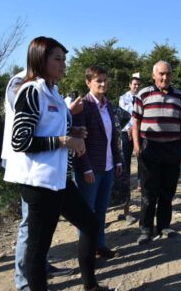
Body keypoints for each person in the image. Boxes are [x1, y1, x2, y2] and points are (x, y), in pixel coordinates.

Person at [3, 36, 106, 291]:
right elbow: (21, 141)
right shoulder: (31, 90)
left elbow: (59, 130)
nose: (63, 64)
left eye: (64, 59)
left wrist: (75, 136)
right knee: (38, 250)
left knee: (91, 225)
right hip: (39, 183)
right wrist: (64, 141)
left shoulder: (54, 92)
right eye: (57, 59)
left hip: (59, 180)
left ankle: (91, 286)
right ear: (40, 59)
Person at [1, 70, 77, 291]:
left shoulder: (48, 85)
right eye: (57, 58)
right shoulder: (24, 83)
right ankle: (24, 280)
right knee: (30, 226)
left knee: (42, 227)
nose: (63, 66)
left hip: (49, 167)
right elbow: (28, 128)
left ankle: (40, 268)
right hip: (30, 167)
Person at [132, 61, 181, 245]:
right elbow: (136, 122)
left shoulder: (179, 96)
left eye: (168, 74)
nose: (165, 77)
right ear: (154, 75)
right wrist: (137, 146)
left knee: (167, 191)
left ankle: (164, 226)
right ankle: (145, 229)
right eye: (162, 74)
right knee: (149, 191)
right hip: (150, 148)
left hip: (172, 149)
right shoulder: (143, 94)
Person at [73, 66, 123, 259]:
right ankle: (87, 251)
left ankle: (100, 245)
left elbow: (114, 135)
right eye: (98, 81)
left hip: (108, 166)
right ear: (88, 82)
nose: (103, 84)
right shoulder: (83, 105)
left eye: (105, 80)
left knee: (102, 209)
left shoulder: (107, 104)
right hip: (90, 168)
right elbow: (79, 140)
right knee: (87, 213)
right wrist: (86, 168)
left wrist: (117, 161)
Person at [116, 73, 143, 225]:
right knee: (125, 166)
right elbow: (123, 116)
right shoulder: (123, 98)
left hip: (139, 133)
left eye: (139, 84)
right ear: (130, 85)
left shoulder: (143, 97)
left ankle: (140, 183)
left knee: (143, 161)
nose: (136, 87)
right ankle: (126, 209)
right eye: (134, 84)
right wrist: (129, 129)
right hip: (126, 134)